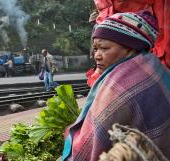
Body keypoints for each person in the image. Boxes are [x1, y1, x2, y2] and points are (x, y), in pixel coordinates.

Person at [62, 11, 170, 161]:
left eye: (104, 48)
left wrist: (71, 136)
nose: (97, 55)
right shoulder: (154, 66)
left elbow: (88, 147)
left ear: (130, 48)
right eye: (96, 49)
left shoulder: (118, 86)